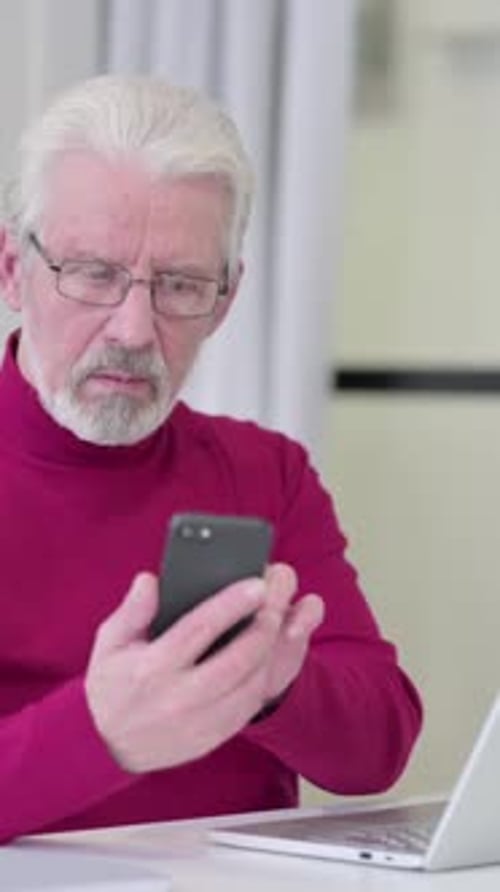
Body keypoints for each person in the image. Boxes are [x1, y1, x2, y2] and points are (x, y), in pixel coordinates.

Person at [0, 74, 422, 843]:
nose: (133, 327)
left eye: (181, 285)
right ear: (11, 270)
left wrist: (271, 682)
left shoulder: (266, 472)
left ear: (226, 301)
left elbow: (377, 751)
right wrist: (100, 733)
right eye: (94, 273)